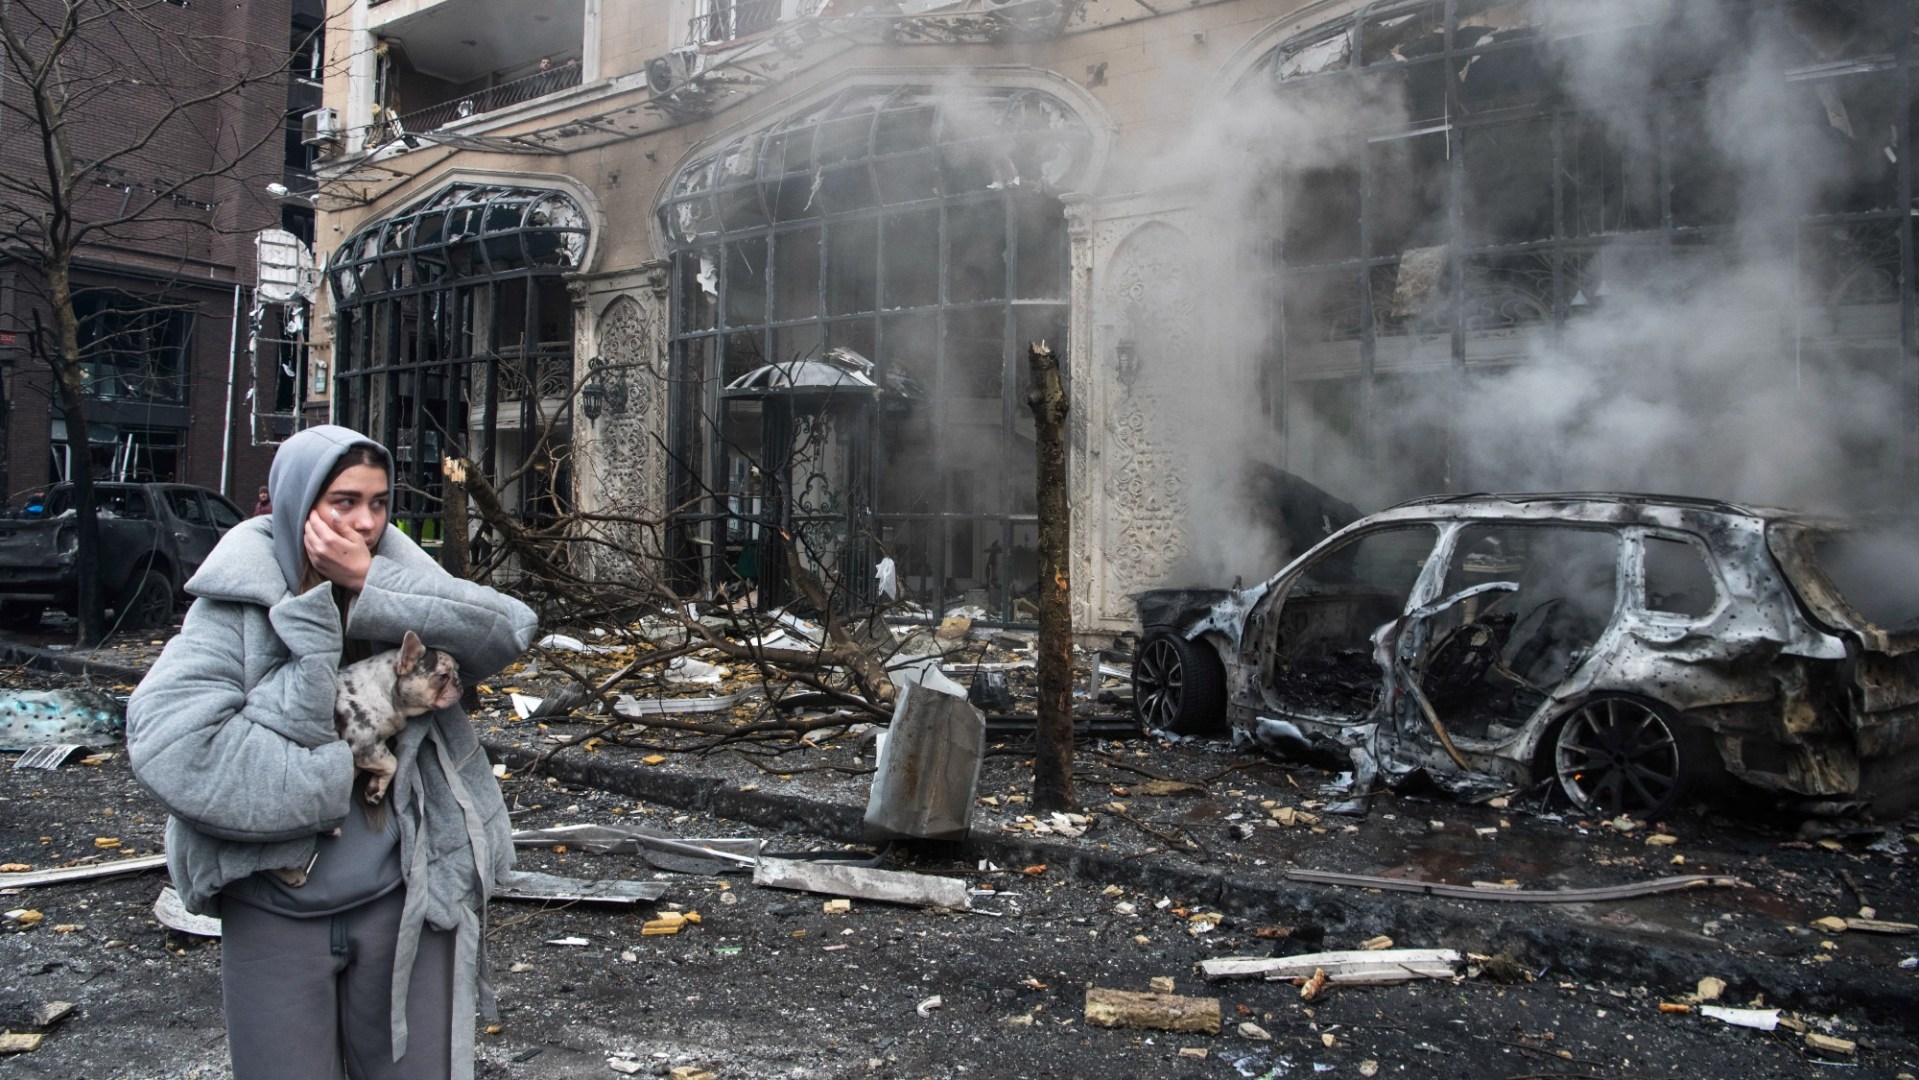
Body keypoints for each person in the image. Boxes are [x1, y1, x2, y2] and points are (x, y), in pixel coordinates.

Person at [126, 425, 536, 1080]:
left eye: (379, 503)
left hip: (408, 898)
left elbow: (507, 630)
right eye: (344, 501)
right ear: (298, 506)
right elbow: (181, 752)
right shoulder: (235, 602)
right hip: (272, 910)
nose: (366, 522)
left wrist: (372, 584)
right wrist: (338, 765)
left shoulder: (400, 577)